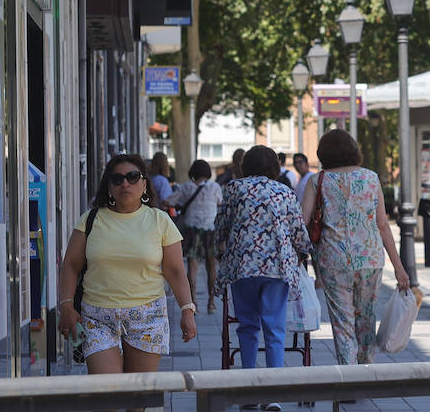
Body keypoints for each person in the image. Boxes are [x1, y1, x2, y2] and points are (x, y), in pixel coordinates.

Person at [55, 154, 196, 398]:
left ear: (144, 184)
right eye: (117, 179)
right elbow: (71, 265)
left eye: (132, 177)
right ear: (109, 186)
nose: (125, 184)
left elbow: (175, 271)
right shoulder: (90, 219)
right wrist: (66, 306)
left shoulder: (159, 221)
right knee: (105, 395)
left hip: (147, 317)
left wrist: (187, 310)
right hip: (98, 318)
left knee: (137, 398)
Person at [302, 129, 410, 365]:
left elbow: (303, 222)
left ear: (324, 153)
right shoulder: (370, 178)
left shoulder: (316, 181)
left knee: (343, 322)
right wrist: (399, 268)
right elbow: (383, 225)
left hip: (333, 260)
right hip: (370, 260)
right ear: (353, 150)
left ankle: (349, 377)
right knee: (367, 319)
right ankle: (366, 371)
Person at [215, 144, 309, 394]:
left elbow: (221, 226)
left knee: (247, 326)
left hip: (242, 266)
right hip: (276, 267)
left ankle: (248, 386)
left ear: (246, 166)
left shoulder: (233, 189)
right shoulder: (284, 192)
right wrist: (301, 254)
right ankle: (273, 391)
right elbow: (299, 231)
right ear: (274, 167)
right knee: (274, 327)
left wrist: (220, 251)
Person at [166, 158, 224, 313]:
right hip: (210, 229)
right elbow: (220, 204)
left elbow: (168, 201)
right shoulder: (215, 187)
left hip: (192, 229)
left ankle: (194, 304)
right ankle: (211, 303)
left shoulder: (186, 188)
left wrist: (180, 206)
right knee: (211, 267)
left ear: (192, 172)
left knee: (192, 267)